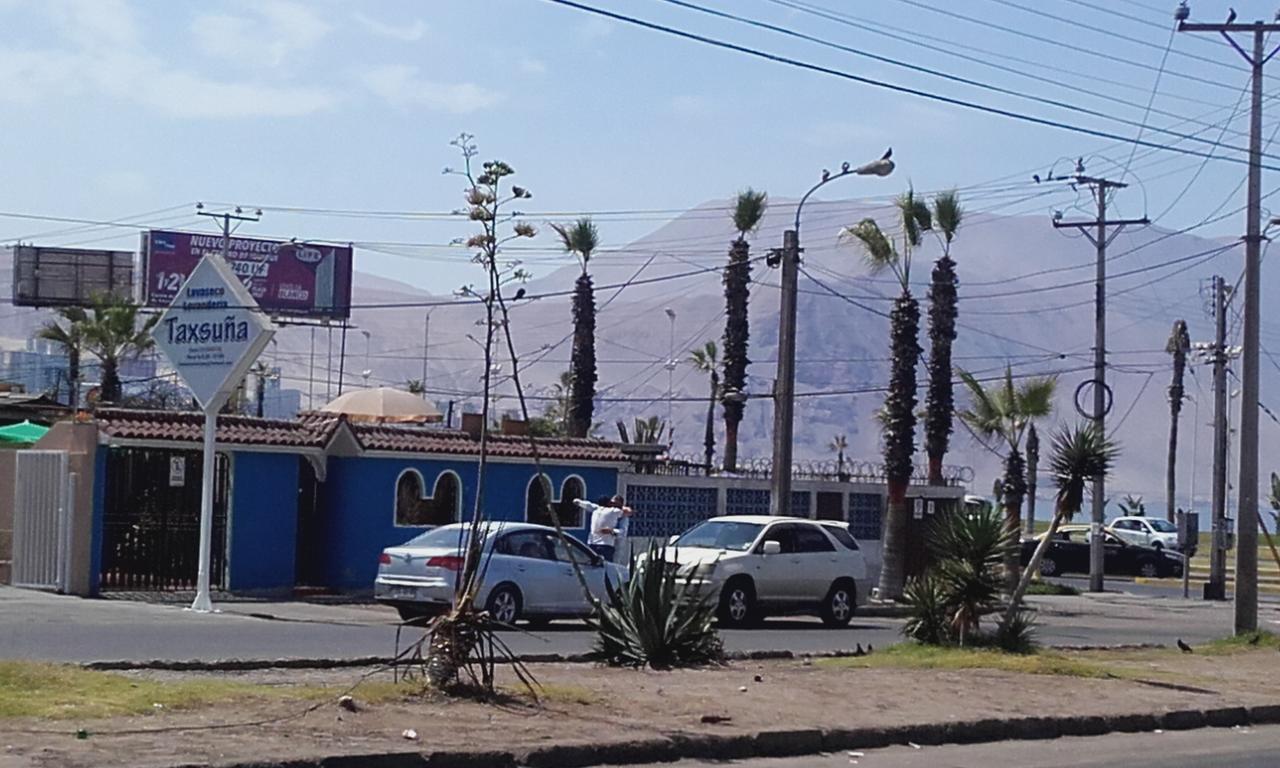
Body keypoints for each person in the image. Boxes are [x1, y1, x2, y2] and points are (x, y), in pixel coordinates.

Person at [577, 495, 633, 561]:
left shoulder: (623, 516)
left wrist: (612, 531)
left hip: (615, 546)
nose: (612, 505)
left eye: (615, 503)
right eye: (611, 503)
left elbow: (623, 532)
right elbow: (588, 505)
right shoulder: (602, 509)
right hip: (598, 544)